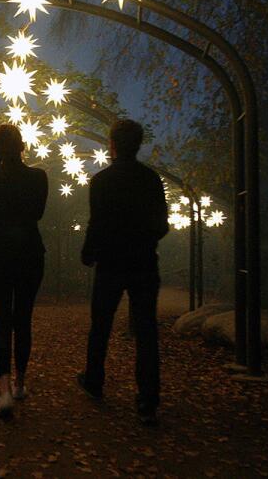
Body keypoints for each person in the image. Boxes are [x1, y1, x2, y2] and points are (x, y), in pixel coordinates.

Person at [75, 119, 170, 426]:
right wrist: (144, 238)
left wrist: (90, 252)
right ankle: (147, 399)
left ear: (111, 144)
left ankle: (94, 379)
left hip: (111, 262)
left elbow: (97, 222)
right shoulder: (151, 180)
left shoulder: (102, 181)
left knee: (100, 324)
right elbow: (162, 225)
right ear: (138, 144)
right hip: (143, 262)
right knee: (145, 330)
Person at [0, 124, 48, 418]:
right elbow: (39, 214)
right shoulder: (38, 177)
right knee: (23, 320)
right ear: (23, 146)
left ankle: (3, 389)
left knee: (0, 321)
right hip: (29, 253)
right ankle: (20, 382)